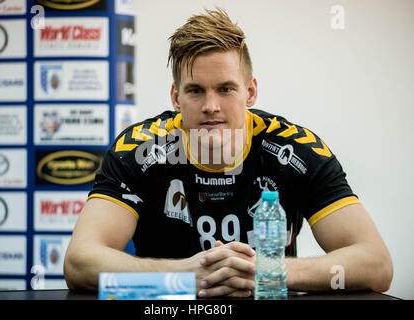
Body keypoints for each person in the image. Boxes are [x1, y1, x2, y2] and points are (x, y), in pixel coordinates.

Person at [64, 8, 393, 297]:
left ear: (250, 91)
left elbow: (376, 264)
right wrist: (183, 278)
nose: (211, 107)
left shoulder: (295, 150)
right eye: (195, 91)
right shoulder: (139, 150)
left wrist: (263, 271)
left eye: (225, 89)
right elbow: (79, 262)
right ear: (176, 98)